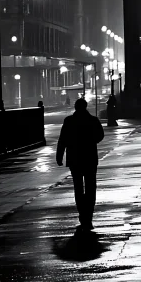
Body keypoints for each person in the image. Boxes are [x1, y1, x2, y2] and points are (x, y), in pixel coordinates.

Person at [56, 98, 104, 232]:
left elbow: (62, 140)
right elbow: (100, 135)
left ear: (75, 107)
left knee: (78, 187)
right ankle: (88, 215)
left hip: (74, 158)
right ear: (86, 106)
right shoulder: (93, 120)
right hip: (90, 157)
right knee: (90, 187)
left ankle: (82, 213)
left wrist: (59, 156)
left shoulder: (69, 121)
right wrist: (91, 141)